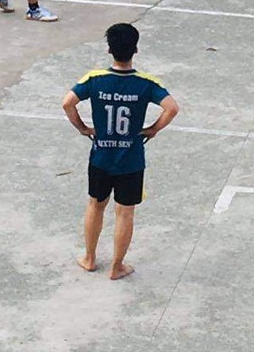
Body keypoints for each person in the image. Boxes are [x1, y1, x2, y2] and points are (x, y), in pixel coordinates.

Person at [63, 22, 179, 281]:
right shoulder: (145, 83)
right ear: (135, 49)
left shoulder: (94, 79)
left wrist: (83, 128)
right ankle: (117, 266)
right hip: (131, 160)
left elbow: (67, 103)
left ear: (109, 50)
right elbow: (172, 108)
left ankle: (89, 258)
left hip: (101, 157)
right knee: (125, 212)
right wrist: (153, 129)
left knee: (95, 205)